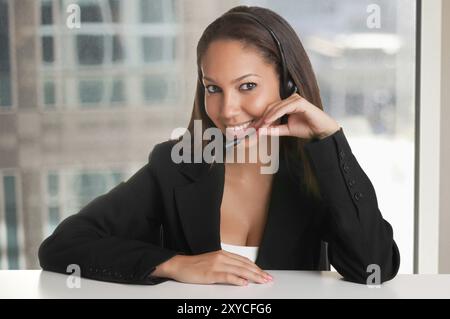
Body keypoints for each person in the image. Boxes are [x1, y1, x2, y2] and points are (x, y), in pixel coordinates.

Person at [38, 5, 400, 286]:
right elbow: (63, 245)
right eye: (214, 88)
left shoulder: (317, 170)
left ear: (288, 88)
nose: (227, 111)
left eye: (247, 86)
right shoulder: (175, 165)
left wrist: (330, 139)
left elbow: (374, 267)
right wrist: (177, 265)